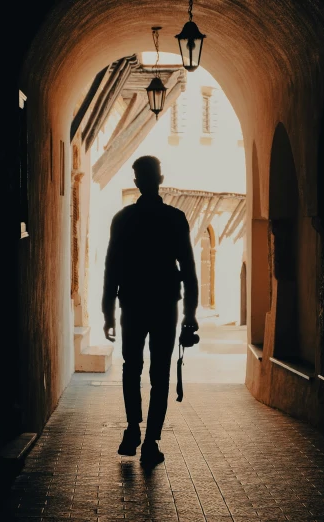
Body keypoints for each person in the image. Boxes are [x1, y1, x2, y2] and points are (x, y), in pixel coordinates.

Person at [102, 155, 199, 467]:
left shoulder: (123, 219)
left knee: (132, 368)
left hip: (131, 304)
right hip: (164, 304)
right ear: (160, 178)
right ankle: (151, 440)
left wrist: (107, 311)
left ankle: (132, 428)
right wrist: (190, 314)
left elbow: (111, 268)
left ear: (136, 182)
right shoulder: (175, 218)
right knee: (160, 373)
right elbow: (188, 268)